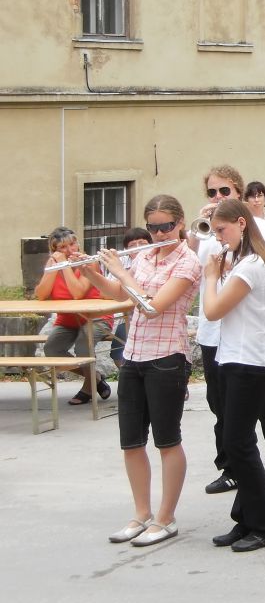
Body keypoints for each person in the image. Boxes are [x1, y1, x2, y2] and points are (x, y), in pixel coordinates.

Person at [82, 195, 200, 547]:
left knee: (167, 439)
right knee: (131, 441)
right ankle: (141, 513)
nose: (160, 232)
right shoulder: (146, 256)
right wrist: (92, 272)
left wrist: (119, 269)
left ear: (180, 223)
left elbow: (152, 307)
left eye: (166, 226)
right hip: (133, 354)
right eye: (153, 227)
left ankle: (166, 517)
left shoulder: (188, 261)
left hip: (167, 356)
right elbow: (121, 293)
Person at [190, 165, 265, 499]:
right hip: (215, 336)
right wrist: (201, 231)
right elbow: (198, 264)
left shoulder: (261, 229)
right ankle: (231, 469)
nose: (217, 197)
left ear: (238, 193)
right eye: (211, 192)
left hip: (252, 343)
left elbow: (262, 263)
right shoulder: (209, 231)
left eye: (224, 192)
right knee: (222, 410)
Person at [202, 199, 265, 552]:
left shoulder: (251, 265)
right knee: (237, 441)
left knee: (238, 443)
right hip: (238, 357)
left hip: (248, 360)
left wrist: (210, 278)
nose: (219, 238)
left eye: (221, 231)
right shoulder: (245, 261)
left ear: (240, 223)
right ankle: (246, 518)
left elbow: (213, 310)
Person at [35, 226, 113, 405]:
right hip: (69, 318)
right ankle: (95, 378)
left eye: (72, 244)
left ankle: (88, 388)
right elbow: (41, 294)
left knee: (83, 344)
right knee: (52, 349)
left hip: (96, 317)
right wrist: (55, 267)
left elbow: (77, 292)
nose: (70, 250)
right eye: (63, 247)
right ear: (54, 251)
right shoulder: (53, 263)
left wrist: (66, 267)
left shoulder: (88, 262)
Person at [107, 228, 153, 370]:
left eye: (142, 243)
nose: (138, 248)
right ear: (126, 249)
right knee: (117, 352)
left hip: (152, 317)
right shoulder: (121, 262)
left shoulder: (155, 261)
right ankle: (130, 378)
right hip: (128, 318)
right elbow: (111, 290)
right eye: (133, 245)